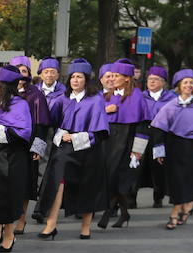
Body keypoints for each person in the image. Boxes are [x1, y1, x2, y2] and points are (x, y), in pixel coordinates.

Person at [37, 59, 108, 240]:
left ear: (86, 79)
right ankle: (51, 224)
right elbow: (51, 123)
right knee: (57, 183)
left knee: (87, 186)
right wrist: (62, 136)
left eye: (79, 77)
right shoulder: (62, 99)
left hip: (88, 149)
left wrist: (76, 137)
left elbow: (99, 132)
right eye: (73, 77)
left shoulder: (95, 100)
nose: (75, 80)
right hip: (65, 149)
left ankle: (85, 226)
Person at [0, 65, 33, 252]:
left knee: (7, 196)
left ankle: (9, 235)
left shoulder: (21, 104)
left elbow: (24, 132)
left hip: (12, 157)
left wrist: (0, 129)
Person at [150, 69, 193, 229]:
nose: (189, 85)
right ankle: (182, 208)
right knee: (176, 181)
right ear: (179, 85)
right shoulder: (171, 106)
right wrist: (159, 151)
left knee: (189, 180)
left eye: (192, 82)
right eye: (185, 82)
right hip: (174, 147)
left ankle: (175, 213)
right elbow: (158, 129)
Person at [98, 60, 152, 229]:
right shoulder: (107, 96)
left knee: (118, 179)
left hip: (126, 142)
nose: (112, 79)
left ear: (127, 78)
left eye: (116, 76)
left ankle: (107, 213)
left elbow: (143, 126)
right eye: (111, 75)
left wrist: (137, 151)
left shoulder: (137, 97)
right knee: (109, 177)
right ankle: (125, 213)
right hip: (108, 142)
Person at [9, 56, 51, 231]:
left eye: (23, 71)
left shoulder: (36, 95)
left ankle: (21, 219)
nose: (20, 74)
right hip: (9, 145)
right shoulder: (5, 92)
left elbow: (42, 125)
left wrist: (38, 148)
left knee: (25, 183)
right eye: (16, 71)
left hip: (28, 145)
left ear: (28, 74)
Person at [140, 66, 175, 208]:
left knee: (159, 164)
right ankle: (131, 197)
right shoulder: (140, 96)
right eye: (150, 79)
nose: (152, 82)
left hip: (161, 134)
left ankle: (158, 196)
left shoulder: (171, 98)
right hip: (142, 132)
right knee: (137, 163)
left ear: (163, 82)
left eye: (156, 80)